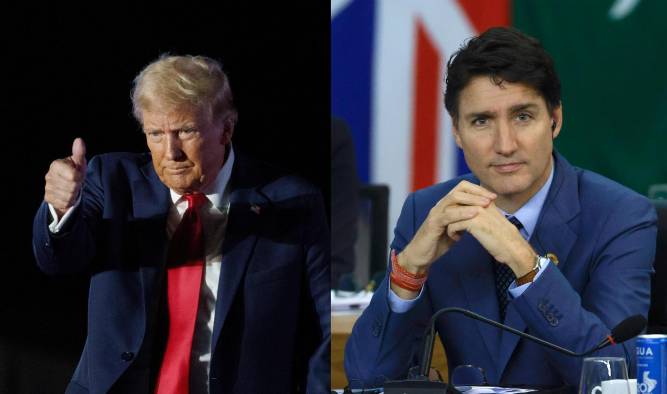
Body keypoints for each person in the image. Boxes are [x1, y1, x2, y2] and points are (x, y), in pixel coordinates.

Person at [345, 27, 657, 388]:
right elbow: (366, 378)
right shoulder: (426, 210)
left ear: (555, 120)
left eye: (522, 116)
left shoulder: (621, 216)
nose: (504, 144)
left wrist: (523, 262)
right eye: (481, 121)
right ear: (457, 133)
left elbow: (616, 374)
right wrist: (409, 270)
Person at [33, 55, 330, 393]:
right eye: (155, 134)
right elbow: (58, 261)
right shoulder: (110, 180)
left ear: (226, 128)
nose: (170, 151)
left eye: (185, 131)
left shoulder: (291, 202)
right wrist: (60, 208)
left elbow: (322, 330)